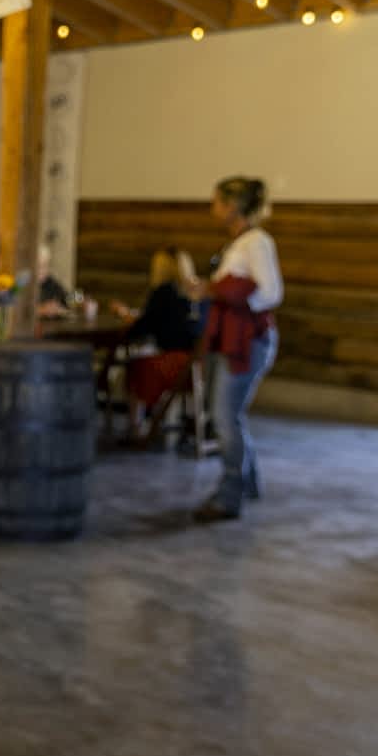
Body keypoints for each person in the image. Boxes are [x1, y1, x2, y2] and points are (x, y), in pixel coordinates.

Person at [190, 177, 281, 522]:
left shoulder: (257, 243)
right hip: (234, 336)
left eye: (217, 202)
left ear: (232, 206)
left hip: (245, 339)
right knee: (231, 413)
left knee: (224, 416)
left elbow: (271, 293)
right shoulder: (240, 243)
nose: (213, 209)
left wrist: (231, 298)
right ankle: (248, 480)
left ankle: (230, 492)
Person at [113, 247, 204, 435]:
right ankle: (155, 420)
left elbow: (143, 327)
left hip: (175, 364)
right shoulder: (196, 292)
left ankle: (136, 428)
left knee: (136, 366)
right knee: (145, 358)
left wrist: (127, 317)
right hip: (198, 365)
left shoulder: (164, 291)